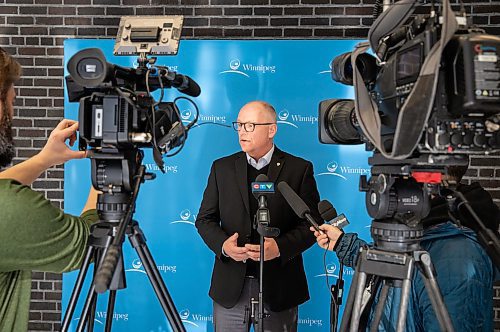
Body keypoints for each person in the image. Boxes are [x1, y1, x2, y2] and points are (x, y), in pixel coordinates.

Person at [311, 166, 499, 332]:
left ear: (433, 178)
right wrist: (343, 243)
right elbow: (394, 267)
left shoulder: (457, 257)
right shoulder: (424, 229)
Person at [195, 100, 321, 331]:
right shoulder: (221, 168)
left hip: (280, 289)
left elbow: (312, 225)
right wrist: (224, 246)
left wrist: (280, 248)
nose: (242, 131)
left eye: (250, 125)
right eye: (240, 125)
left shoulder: (299, 169)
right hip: (231, 287)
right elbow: (204, 219)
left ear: (271, 129)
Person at [0, 48, 99, 331]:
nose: (13, 110)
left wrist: (45, 159)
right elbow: (87, 246)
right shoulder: (10, 208)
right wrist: (107, 163)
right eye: (9, 102)